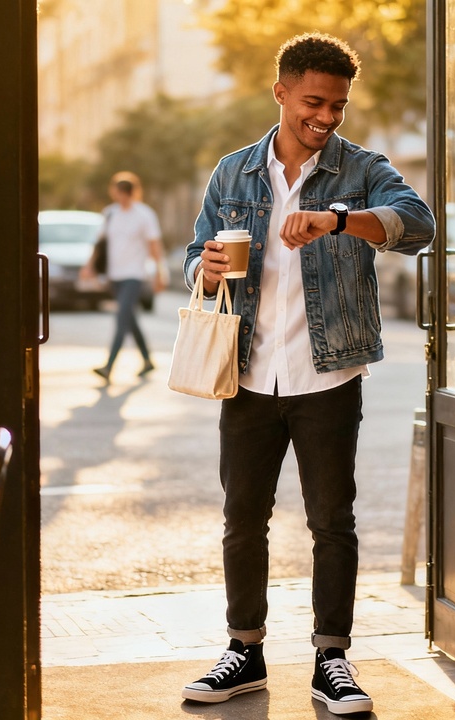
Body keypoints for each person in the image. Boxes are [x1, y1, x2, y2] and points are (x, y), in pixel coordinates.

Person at [180, 33, 434, 715]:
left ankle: (332, 660)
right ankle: (245, 651)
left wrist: (340, 219)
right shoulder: (232, 174)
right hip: (248, 373)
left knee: (332, 521)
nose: (325, 118)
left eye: (338, 107)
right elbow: (192, 256)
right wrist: (199, 269)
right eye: (313, 103)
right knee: (242, 519)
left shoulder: (362, 168)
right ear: (282, 92)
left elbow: (418, 224)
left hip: (329, 377)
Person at [84, 172, 167, 381]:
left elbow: (154, 245)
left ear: (132, 193)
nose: (121, 197)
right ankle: (147, 361)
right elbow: (99, 243)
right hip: (114, 276)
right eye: (118, 193)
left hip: (134, 275)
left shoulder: (144, 214)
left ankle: (108, 366)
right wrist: (89, 266)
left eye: (124, 194)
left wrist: (159, 272)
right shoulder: (110, 213)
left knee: (121, 318)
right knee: (129, 319)